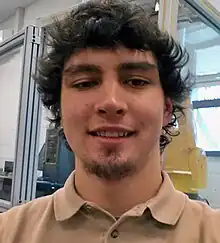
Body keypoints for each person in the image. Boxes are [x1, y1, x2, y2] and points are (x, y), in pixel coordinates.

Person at [0, 0, 220, 242]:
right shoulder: (9, 232)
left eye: (136, 81)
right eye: (85, 83)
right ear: (59, 109)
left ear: (167, 109)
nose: (111, 102)